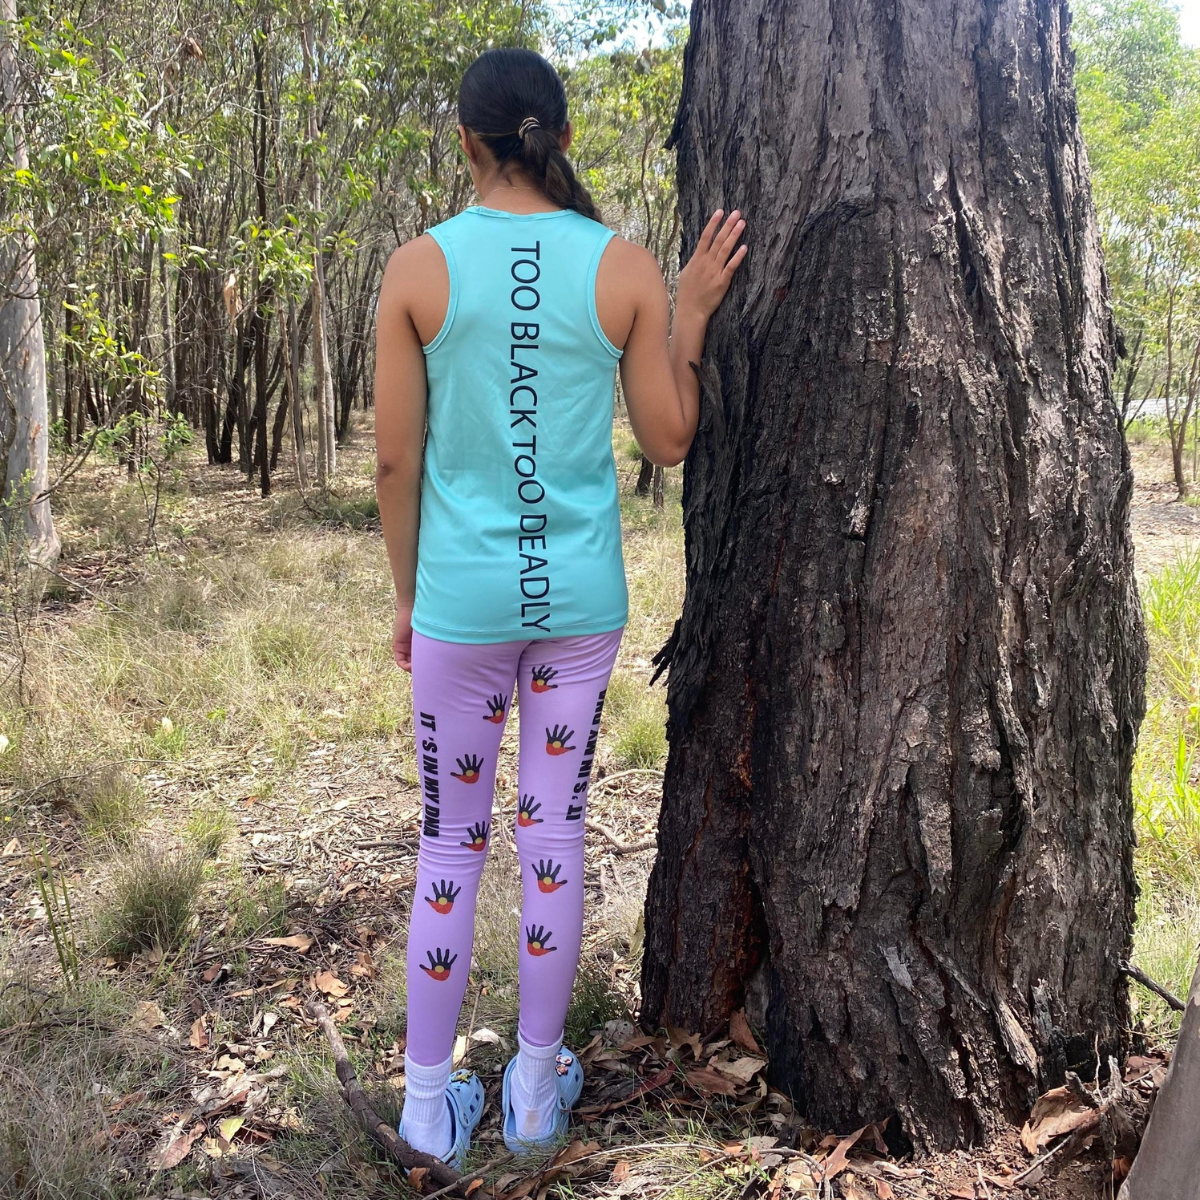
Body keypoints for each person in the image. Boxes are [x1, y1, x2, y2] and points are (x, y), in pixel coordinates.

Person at [373, 45, 746, 1167]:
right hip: (578, 604)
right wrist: (685, 318)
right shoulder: (624, 266)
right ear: (564, 139)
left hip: (460, 608)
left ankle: (429, 1110)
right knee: (553, 840)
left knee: (453, 845)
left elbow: (395, 467)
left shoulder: (418, 269)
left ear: (466, 141)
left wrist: (407, 599)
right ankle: (536, 1098)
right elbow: (671, 441)